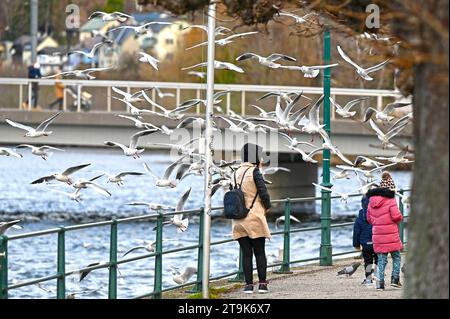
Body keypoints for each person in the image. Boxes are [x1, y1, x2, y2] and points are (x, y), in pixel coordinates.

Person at [232, 143, 272, 294]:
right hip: (254, 216)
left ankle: (248, 285)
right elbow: (263, 193)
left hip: (238, 218)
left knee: (246, 253)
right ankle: (262, 284)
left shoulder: (235, 172)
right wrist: (267, 207)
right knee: (260, 251)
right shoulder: (254, 172)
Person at [366, 172, 403, 291]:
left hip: (378, 235)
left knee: (381, 259)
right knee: (396, 256)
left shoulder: (371, 201)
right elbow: (397, 217)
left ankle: (380, 284)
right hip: (391, 234)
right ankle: (395, 280)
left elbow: (369, 219)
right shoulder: (391, 200)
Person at [353, 195, 378, 285]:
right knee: (378, 260)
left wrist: (356, 244)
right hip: (377, 242)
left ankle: (368, 279)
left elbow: (356, 233)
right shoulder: (378, 216)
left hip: (366, 244)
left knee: (368, 261)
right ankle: (377, 277)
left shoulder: (359, 219)